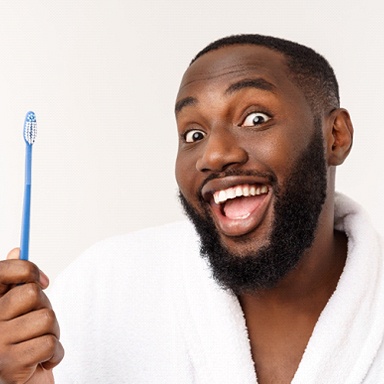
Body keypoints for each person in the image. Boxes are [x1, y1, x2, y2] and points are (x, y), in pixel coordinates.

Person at [1, 34, 383, 383]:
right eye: (193, 135)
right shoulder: (101, 290)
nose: (213, 155)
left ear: (336, 136)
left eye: (256, 118)